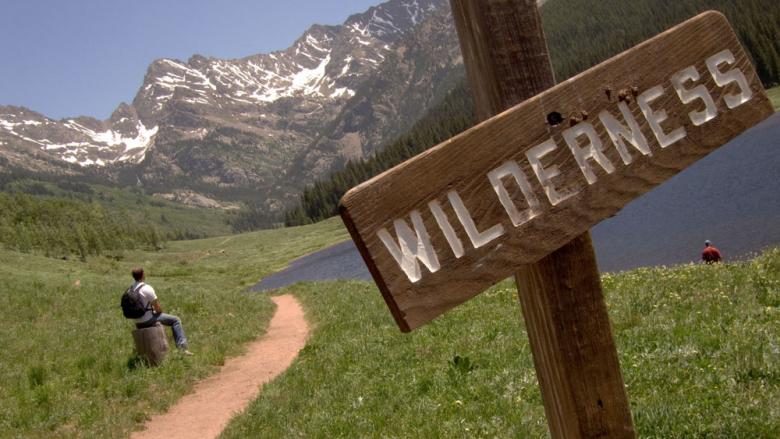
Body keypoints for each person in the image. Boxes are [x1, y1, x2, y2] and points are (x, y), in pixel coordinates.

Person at [131, 267, 193, 355]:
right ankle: (182, 349)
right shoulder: (146, 288)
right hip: (148, 320)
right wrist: (157, 312)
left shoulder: (131, 289)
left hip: (136, 321)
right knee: (176, 320)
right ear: (143, 275)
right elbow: (158, 308)